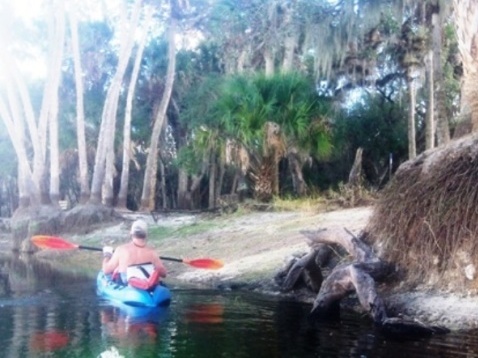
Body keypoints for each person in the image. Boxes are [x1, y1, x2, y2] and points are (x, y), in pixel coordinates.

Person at [102, 219, 167, 286]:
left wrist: (107, 255)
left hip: (126, 283)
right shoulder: (152, 252)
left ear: (131, 233)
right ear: (146, 235)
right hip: (147, 283)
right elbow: (163, 273)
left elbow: (106, 270)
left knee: (112, 274)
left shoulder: (121, 250)